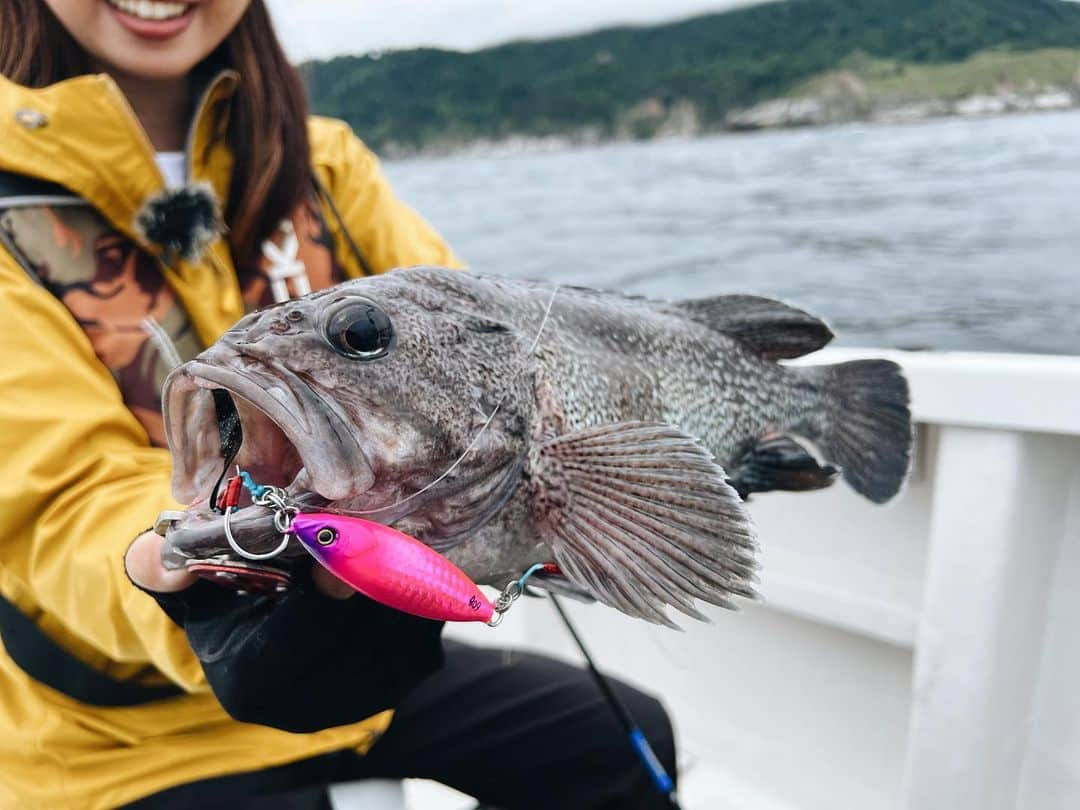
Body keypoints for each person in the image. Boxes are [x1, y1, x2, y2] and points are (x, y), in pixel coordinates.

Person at [0, 1, 677, 807]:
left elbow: (497, 359)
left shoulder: (326, 165)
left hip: (371, 673)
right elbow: (61, 505)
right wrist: (199, 567)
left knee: (620, 740)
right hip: (122, 741)